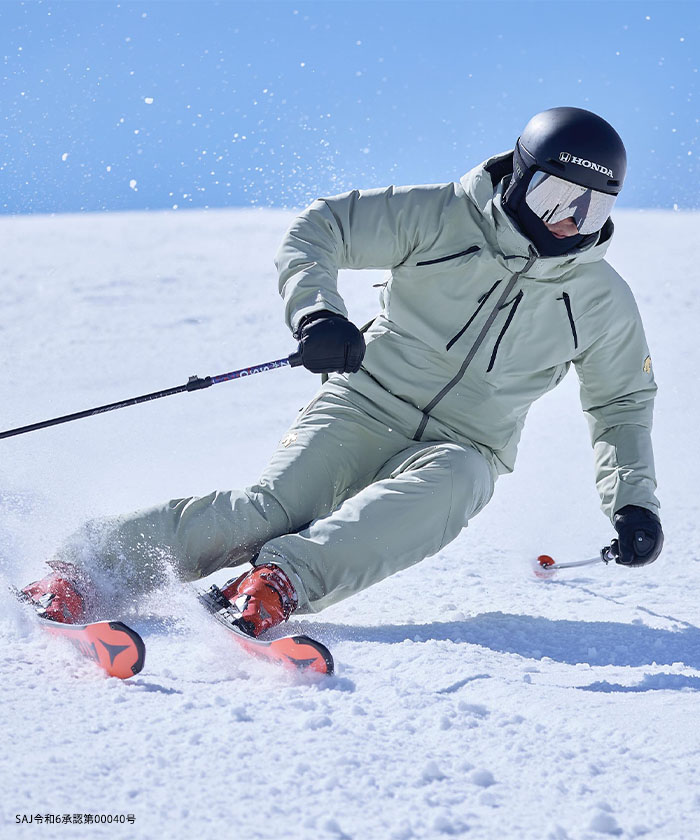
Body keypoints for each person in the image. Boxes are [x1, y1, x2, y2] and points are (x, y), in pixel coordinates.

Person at [23, 106, 663, 632]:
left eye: (592, 209)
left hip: (467, 442)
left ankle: (277, 584)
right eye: (557, 196)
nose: (568, 222)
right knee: (267, 511)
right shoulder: (442, 217)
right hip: (364, 402)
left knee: (462, 476)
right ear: (520, 177)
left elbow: (622, 405)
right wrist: (317, 315)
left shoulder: (601, 301)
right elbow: (319, 229)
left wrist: (633, 503)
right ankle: (86, 569)